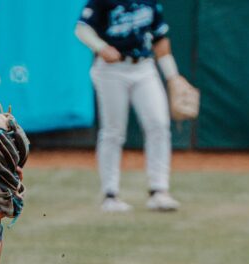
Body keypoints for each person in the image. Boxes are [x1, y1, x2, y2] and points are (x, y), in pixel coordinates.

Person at [75, 0, 183, 213]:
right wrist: (101, 47)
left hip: (144, 67)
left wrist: (173, 77)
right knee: (113, 131)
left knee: (159, 124)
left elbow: (160, 38)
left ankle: (159, 191)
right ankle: (110, 195)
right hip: (111, 70)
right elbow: (82, 29)